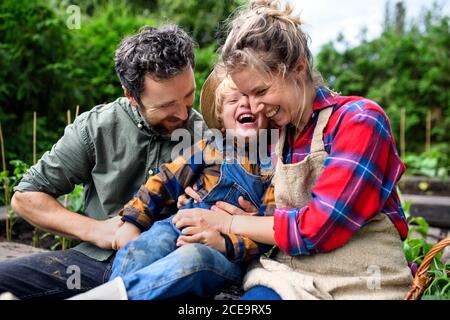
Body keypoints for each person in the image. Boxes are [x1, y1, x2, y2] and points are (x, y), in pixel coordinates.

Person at [173, 0, 412, 300]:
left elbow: (318, 227)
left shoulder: (359, 121)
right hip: (291, 279)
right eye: (246, 95)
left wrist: (231, 222)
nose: (254, 106)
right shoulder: (277, 135)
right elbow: (255, 199)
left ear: (299, 68)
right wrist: (206, 194)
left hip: (362, 284)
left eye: (260, 91)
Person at [0, 25, 206, 299]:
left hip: (164, 268)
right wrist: (98, 231)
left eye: (189, 95)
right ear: (130, 97)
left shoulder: (207, 136)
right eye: (167, 105)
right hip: (90, 264)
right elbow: (25, 197)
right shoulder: (96, 127)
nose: (183, 113)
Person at [69, 68, 276, 300]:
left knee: (194, 258)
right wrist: (133, 220)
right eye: (234, 100)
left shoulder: (273, 166)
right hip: (178, 225)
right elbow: (164, 180)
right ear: (220, 118)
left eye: (252, 98)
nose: (245, 104)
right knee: (143, 247)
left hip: (223, 252)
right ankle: (112, 294)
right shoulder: (209, 147)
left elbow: (267, 229)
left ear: (267, 112)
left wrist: (224, 242)